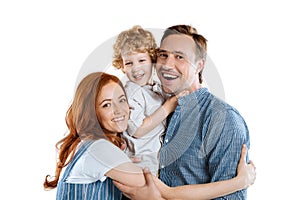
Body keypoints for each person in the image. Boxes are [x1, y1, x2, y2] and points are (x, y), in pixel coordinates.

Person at [44, 72, 255, 200]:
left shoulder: (90, 146)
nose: (120, 110)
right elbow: (166, 194)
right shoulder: (100, 150)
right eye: (106, 105)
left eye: (122, 100)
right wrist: (238, 182)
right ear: (91, 111)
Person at [114, 25, 254, 199]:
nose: (166, 64)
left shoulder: (223, 119)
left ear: (199, 65)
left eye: (179, 57)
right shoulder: (154, 103)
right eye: (163, 55)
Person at [112, 25, 179, 176]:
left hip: (154, 161)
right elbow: (137, 130)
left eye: (141, 60)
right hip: (140, 163)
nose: (136, 68)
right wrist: (168, 106)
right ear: (122, 66)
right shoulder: (130, 93)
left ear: (152, 60)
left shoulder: (153, 88)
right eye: (129, 63)